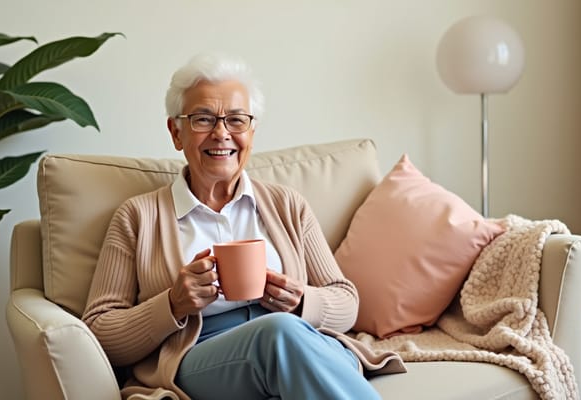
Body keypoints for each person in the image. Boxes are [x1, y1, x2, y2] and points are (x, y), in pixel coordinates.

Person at [82, 53, 404, 400]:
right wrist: (173, 304)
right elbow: (99, 330)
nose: (221, 133)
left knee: (286, 336)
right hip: (200, 356)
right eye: (203, 119)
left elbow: (345, 299)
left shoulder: (287, 205)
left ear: (251, 132)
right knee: (278, 336)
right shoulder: (138, 217)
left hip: (297, 340)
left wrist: (301, 301)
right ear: (176, 131)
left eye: (236, 120)